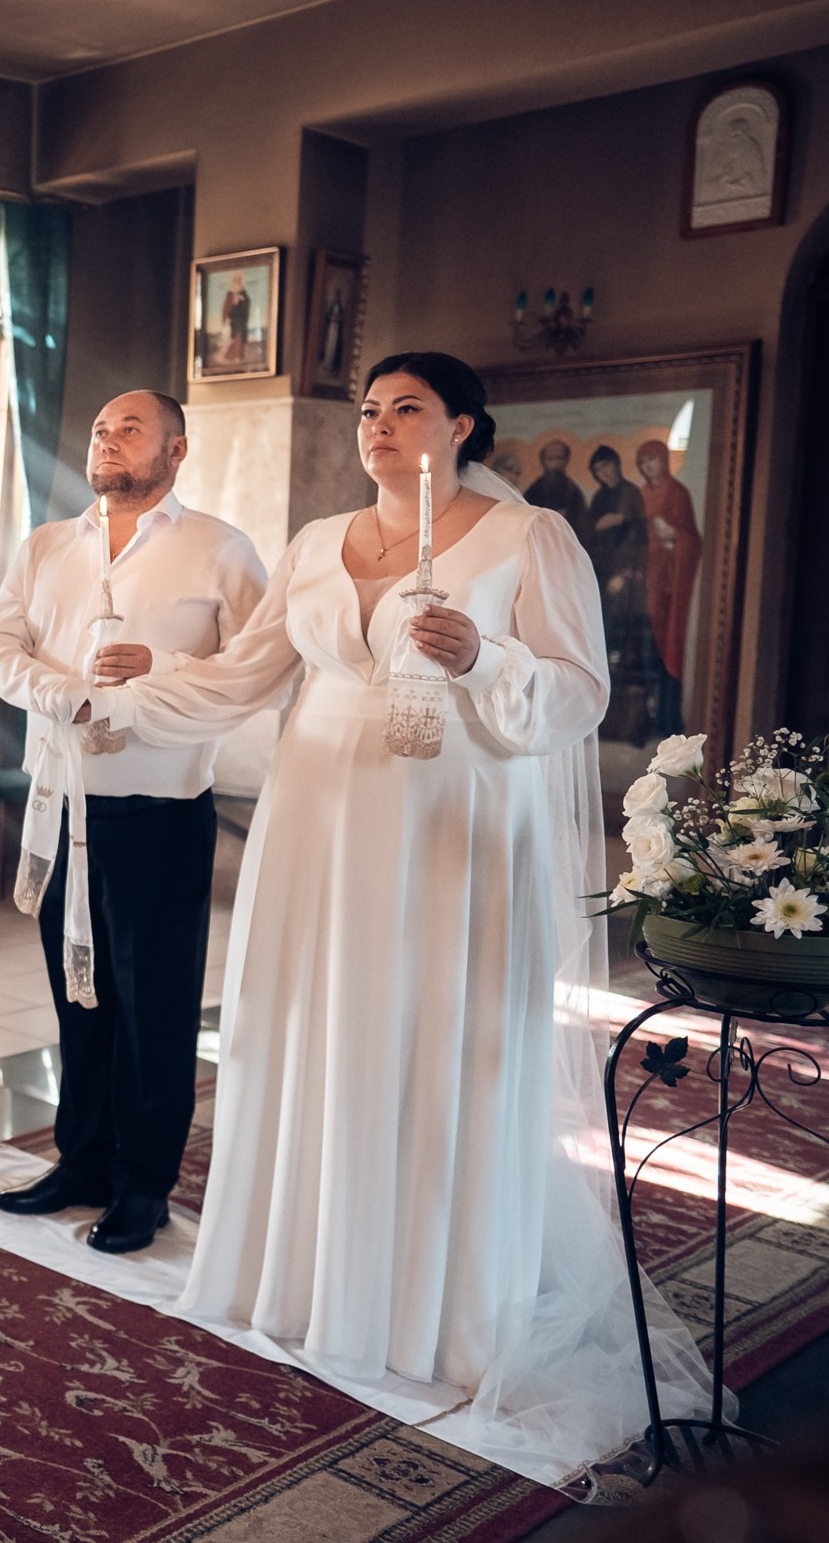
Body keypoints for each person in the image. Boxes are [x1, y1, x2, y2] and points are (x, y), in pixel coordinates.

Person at [81, 351, 710, 1483]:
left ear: (462, 425)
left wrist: (485, 654)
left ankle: (432, 1304)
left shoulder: (528, 538)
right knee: (315, 1028)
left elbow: (580, 692)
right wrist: (138, 685)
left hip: (450, 820)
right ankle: (304, 1276)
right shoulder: (317, 541)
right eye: (369, 410)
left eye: (406, 407)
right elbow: (246, 673)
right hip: (317, 814)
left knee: (427, 1035)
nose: (377, 424)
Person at [0, 390, 264, 1255]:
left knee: (154, 1005)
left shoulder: (220, 549)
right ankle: (83, 1159)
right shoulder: (46, 546)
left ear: (176, 449)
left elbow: (257, 671)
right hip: (60, 802)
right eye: (101, 428)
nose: (107, 438)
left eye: (130, 428)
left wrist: (158, 668)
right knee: (78, 994)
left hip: (159, 809)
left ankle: (143, 1183)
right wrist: (59, 691)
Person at [587, 443, 657, 745]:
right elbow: (592, 529)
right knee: (603, 638)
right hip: (602, 573)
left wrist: (623, 573)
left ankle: (631, 721)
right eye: (596, 469)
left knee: (627, 642)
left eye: (605, 465)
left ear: (616, 464)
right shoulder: (600, 496)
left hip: (626, 580)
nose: (602, 472)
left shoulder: (630, 492)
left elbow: (636, 536)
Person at [636, 439, 702, 734]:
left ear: (664, 459)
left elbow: (693, 540)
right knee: (644, 652)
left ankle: (668, 720)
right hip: (644, 582)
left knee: (668, 650)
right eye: (642, 461)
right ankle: (641, 719)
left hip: (668, 587)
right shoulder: (640, 494)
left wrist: (673, 535)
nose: (647, 466)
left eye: (652, 459)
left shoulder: (678, 493)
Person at [523, 435, 591, 544]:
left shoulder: (573, 490)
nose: (555, 464)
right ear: (543, 461)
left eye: (559, 458)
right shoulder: (534, 491)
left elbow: (583, 524)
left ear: (566, 461)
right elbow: (525, 520)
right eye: (550, 459)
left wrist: (567, 518)